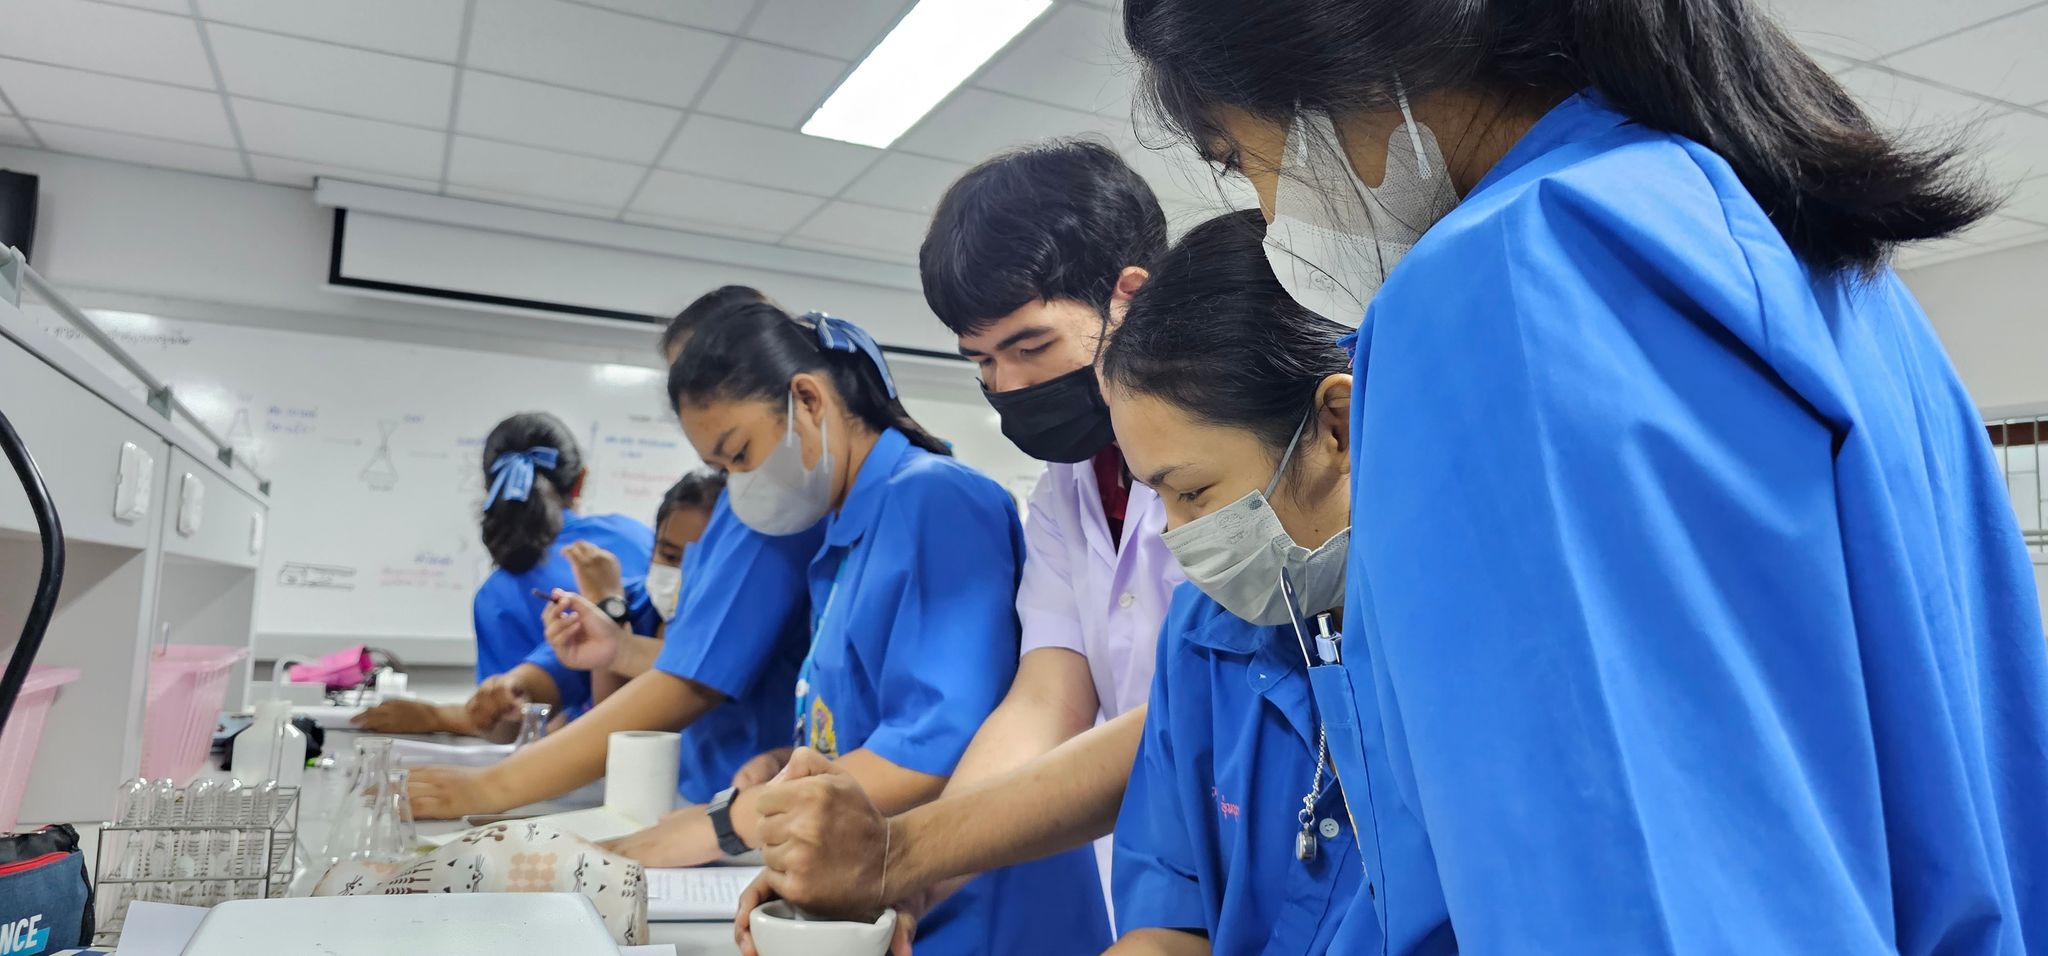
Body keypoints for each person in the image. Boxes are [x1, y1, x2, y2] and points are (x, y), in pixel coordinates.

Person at [1122, 0, 2048, 951]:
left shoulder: (1507, 285)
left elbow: (1632, 892)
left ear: (1333, 66)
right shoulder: (1825, 266)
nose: (1271, 218)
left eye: (1237, 160)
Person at [732, 140, 1183, 941]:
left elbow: (1188, 715)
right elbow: (1045, 701)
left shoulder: (1233, 463)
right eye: (981, 361)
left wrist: (899, 856)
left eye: (1030, 347)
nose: (1006, 386)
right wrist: (911, 884)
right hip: (1155, 878)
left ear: (1131, 299)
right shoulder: (1067, 490)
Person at [607, 305, 1111, 956]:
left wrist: (731, 823)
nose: (739, 486)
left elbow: (940, 740)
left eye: (741, 454)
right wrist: (795, 763)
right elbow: (880, 719)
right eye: (723, 469)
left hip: (973, 903)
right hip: (888, 895)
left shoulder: (934, 499)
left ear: (808, 400)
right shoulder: (843, 537)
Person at [404, 285, 827, 818]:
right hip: (701, 794)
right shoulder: (726, 515)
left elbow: (693, 676)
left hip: (749, 800)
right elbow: (603, 657)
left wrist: (490, 788)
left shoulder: (773, 515)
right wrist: (601, 645)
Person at [1099, 211, 1360, 954]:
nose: (1177, 536)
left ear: (1336, 429)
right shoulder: (1201, 636)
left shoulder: (1455, 645)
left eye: (1194, 493)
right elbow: (1169, 908)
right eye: (1158, 497)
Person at [354, 412, 654, 739]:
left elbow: (504, 721)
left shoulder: (496, 595)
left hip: (585, 754)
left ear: (488, 487)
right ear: (580, 480)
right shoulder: (637, 538)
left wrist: (437, 717)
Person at [543, 469, 727, 693]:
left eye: (701, 563)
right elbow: (539, 675)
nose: (682, 576)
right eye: (670, 556)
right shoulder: (636, 600)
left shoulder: (734, 647)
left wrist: (614, 628)